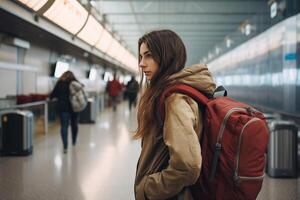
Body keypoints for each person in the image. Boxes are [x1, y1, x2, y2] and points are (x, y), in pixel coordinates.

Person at [134, 30, 216, 200]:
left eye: (148, 56)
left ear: (167, 56)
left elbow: (188, 166)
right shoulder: (168, 93)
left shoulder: (174, 100)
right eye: (141, 57)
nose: (142, 64)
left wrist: (149, 188)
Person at [50, 71, 81, 153]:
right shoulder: (75, 83)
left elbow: (53, 94)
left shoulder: (60, 83)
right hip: (75, 108)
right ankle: (74, 140)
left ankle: (65, 146)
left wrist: (50, 98)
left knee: (64, 126)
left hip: (63, 108)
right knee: (74, 124)